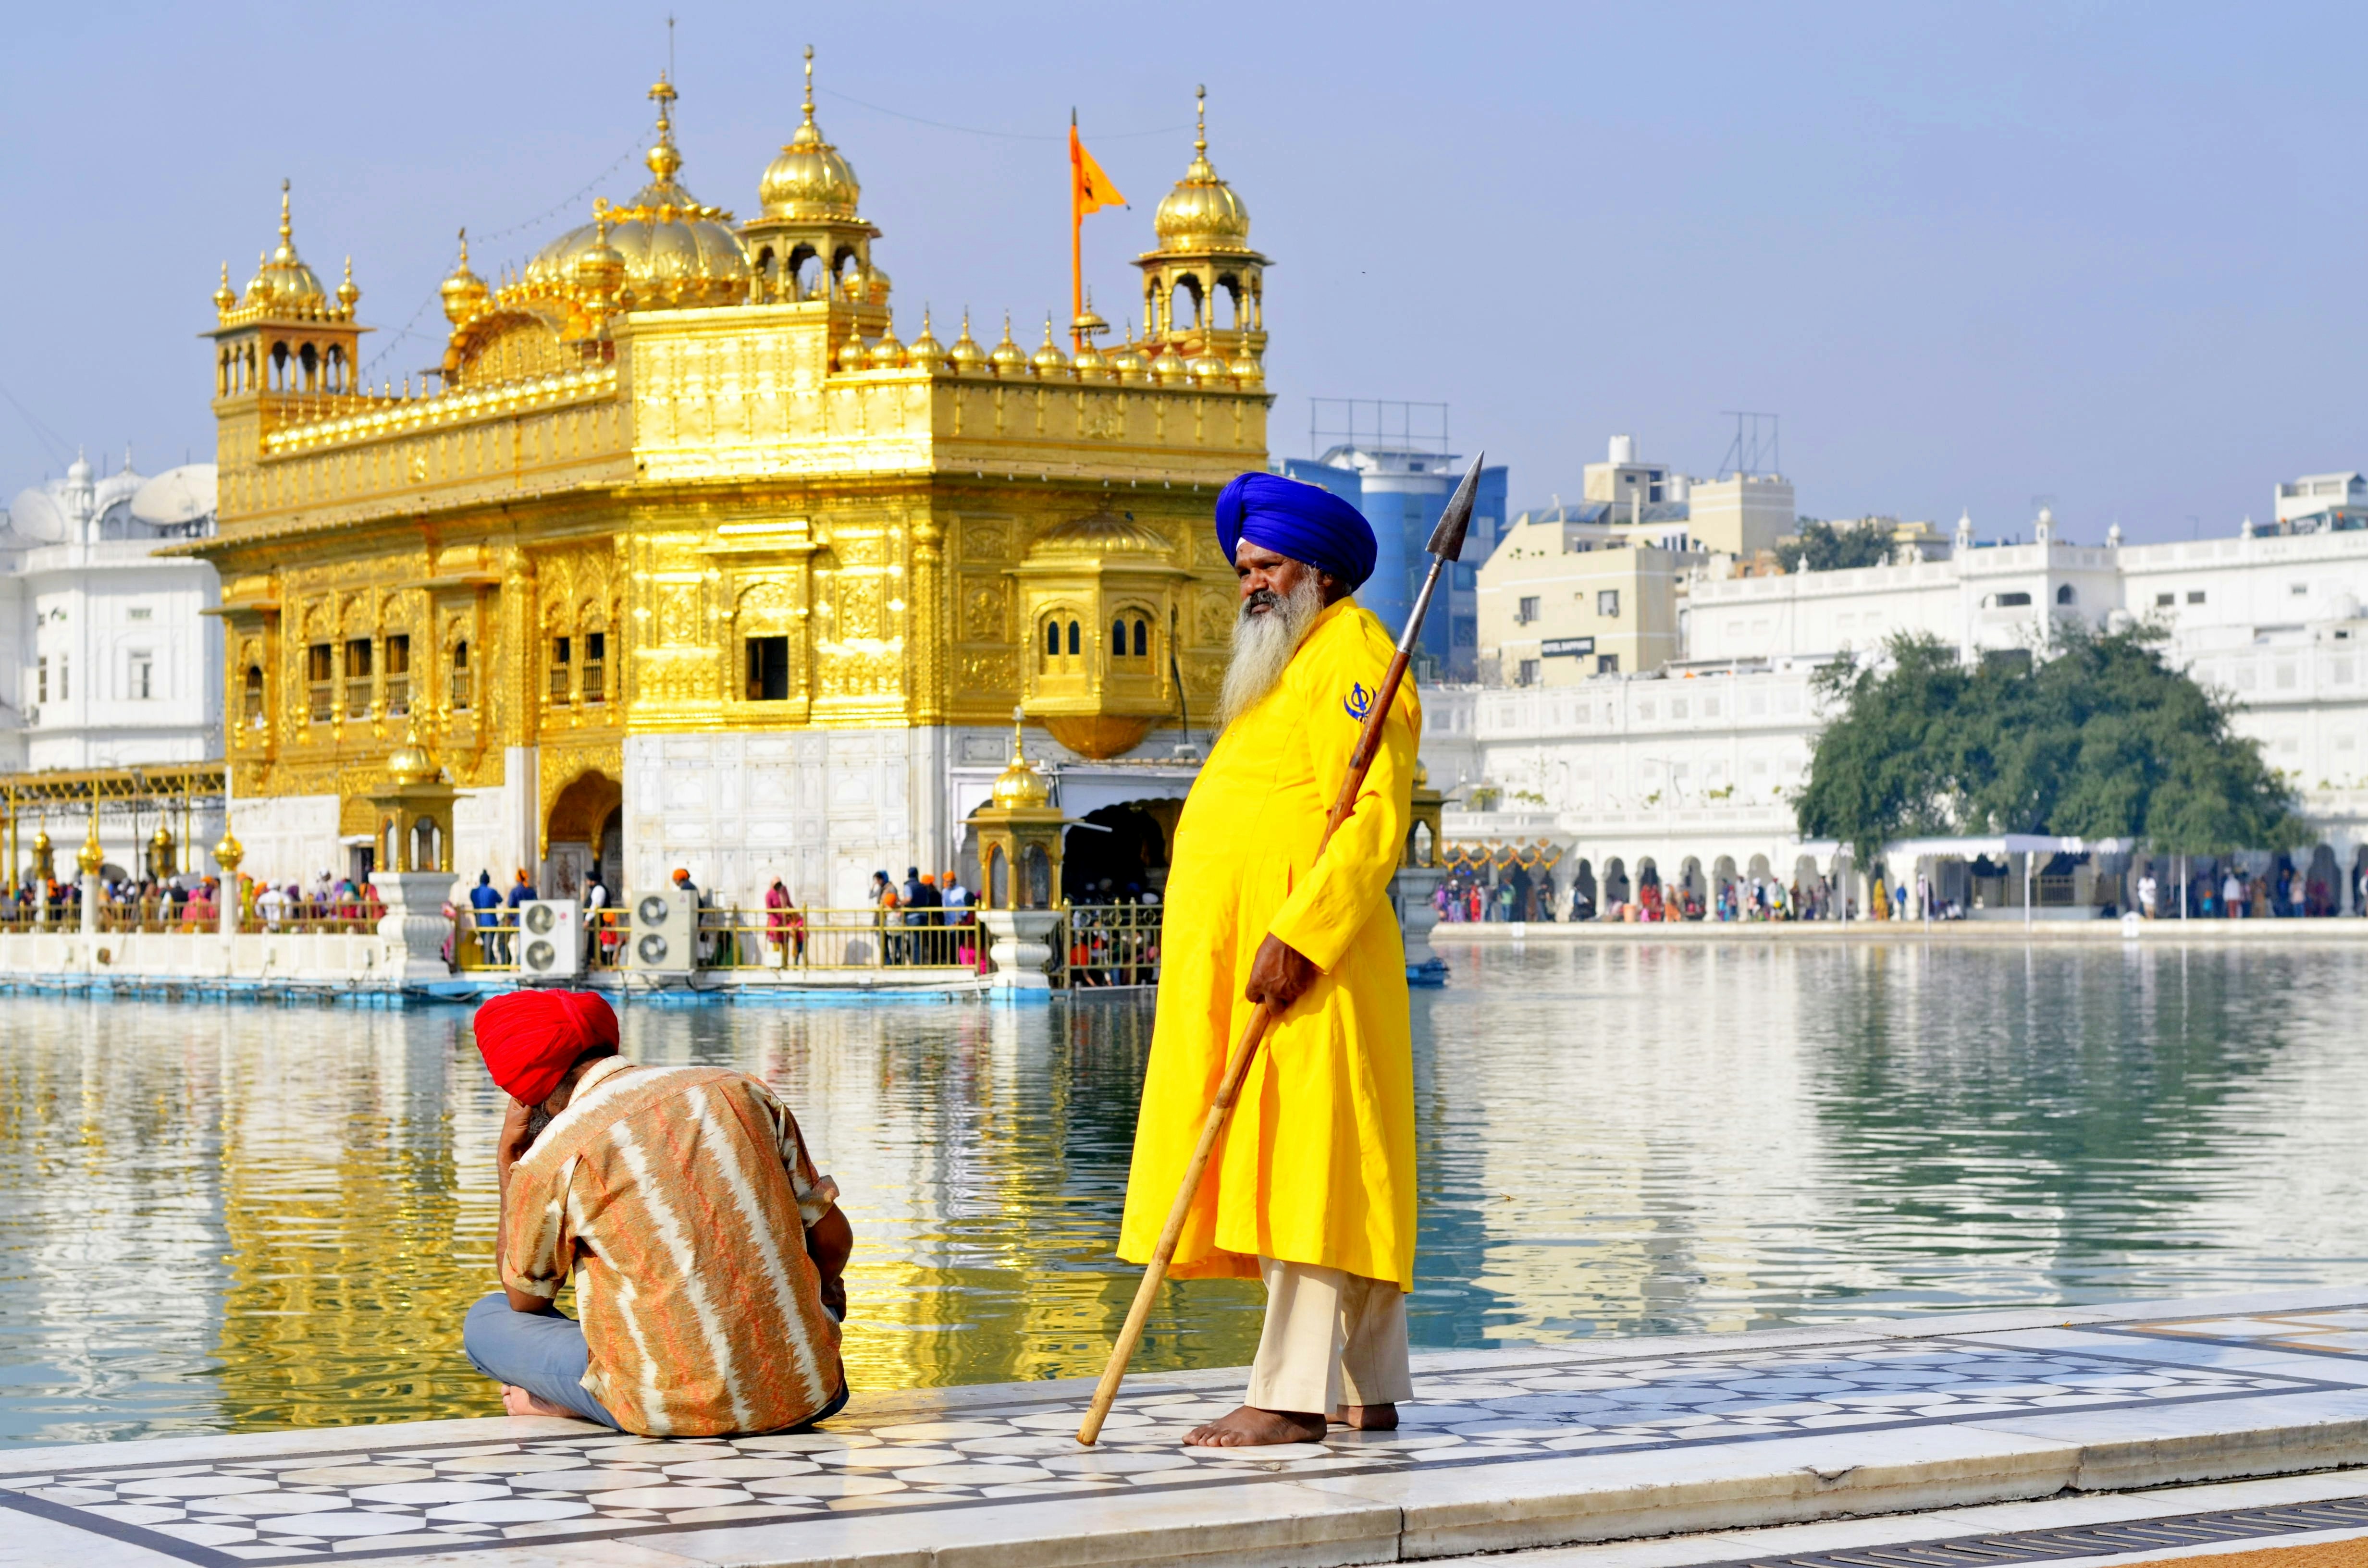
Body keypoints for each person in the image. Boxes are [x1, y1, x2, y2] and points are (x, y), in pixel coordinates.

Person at [1119, 470, 1416, 1448]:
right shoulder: (1289, 661)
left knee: (1309, 1168)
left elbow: (1375, 814)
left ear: (1319, 574)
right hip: (1265, 962)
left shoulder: (1356, 655)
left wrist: (1301, 933)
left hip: (1307, 963)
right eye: (1243, 569)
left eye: (1269, 566)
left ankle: (1289, 1397)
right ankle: (1363, 1387)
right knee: (1336, 1167)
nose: (1251, 583)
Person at [461, 989, 852, 1435]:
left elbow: (526, 1297)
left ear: (523, 1091)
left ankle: (576, 1403)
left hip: (669, 1413)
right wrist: (821, 1294)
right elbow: (834, 1238)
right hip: (813, 1392)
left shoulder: (554, 1153)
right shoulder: (741, 1091)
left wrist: (508, 1159)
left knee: (488, 1321)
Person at [468, 871, 504, 962]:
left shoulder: (474, 892)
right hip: (491, 920)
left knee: (487, 943)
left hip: (480, 920)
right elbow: (500, 900)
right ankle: (488, 963)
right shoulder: (492, 891)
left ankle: (490, 962)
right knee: (488, 944)